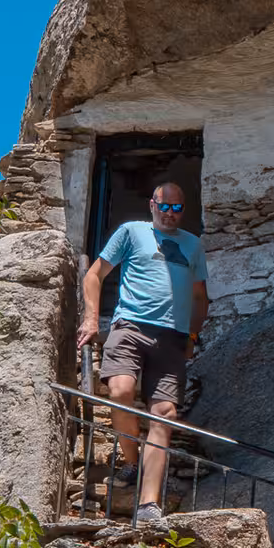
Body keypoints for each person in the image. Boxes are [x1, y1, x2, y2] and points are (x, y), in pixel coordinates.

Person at [78, 181, 208, 527]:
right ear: (152, 204)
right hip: (130, 327)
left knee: (163, 414)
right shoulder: (131, 232)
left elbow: (199, 297)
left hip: (172, 338)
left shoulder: (193, 246)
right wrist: (92, 320)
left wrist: (193, 333)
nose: (170, 213)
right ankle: (132, 460)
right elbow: (94, 275)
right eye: (164, 206)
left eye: (177, 208)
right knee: (119, 393)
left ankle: (149, 504)